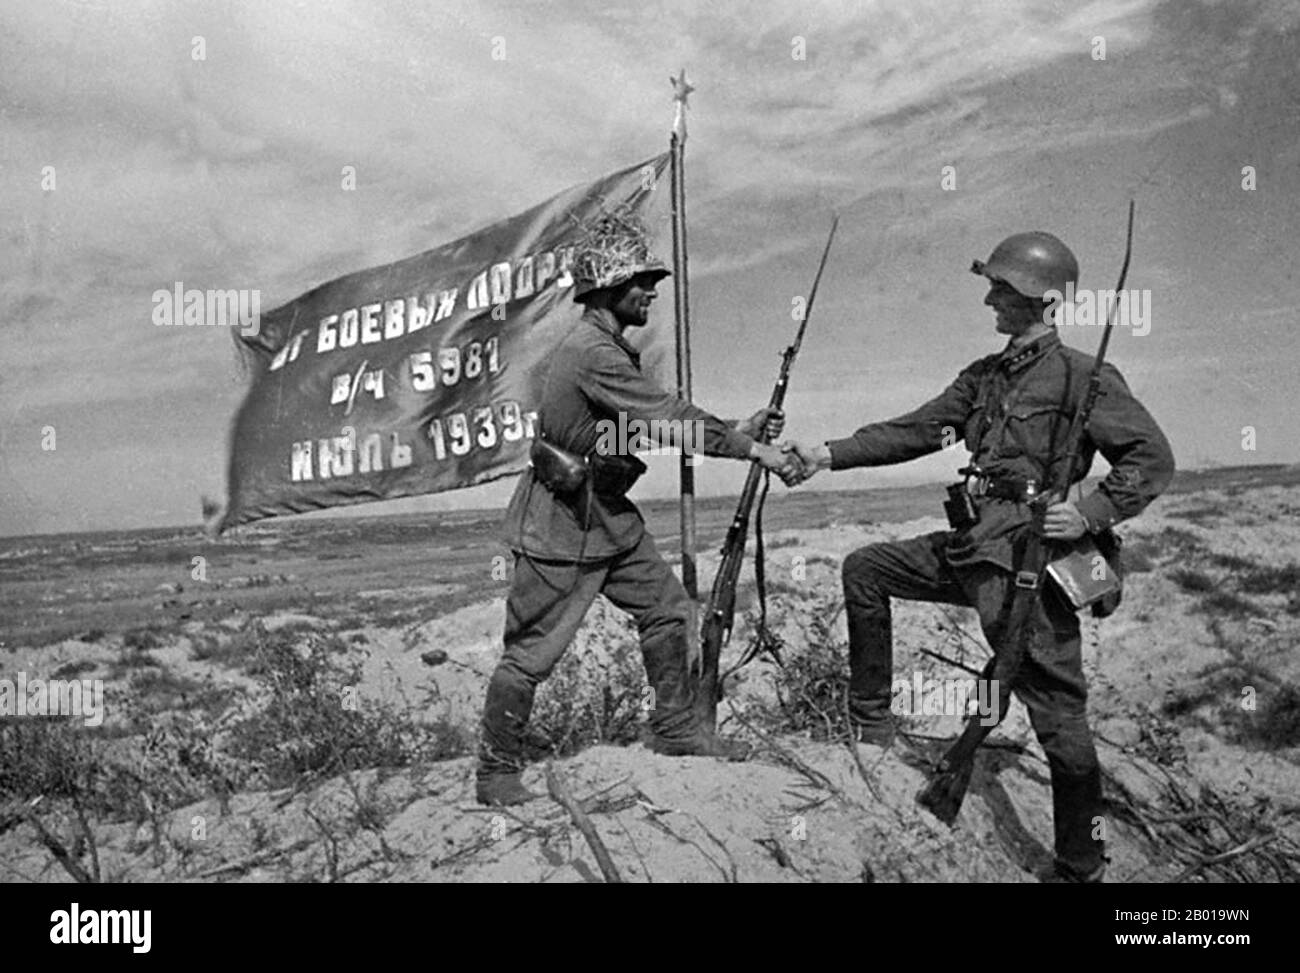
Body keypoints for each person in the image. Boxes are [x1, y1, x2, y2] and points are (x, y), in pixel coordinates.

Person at [786, 230, 1175, 882]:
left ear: (1047, 302)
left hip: (1028, 556)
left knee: (1056, 708)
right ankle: (872, 726)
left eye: (1005, 287)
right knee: (866, 567)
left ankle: (1081, 862)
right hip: (974, 545)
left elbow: (1151, 458)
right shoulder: (985, 377)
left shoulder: (1086, 377)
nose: (991, 296)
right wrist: (827, 453)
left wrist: (1088, 513)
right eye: (993, 284)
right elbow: (918, 430)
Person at [476, 213, 800, 806]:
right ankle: (495, 773)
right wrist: (759, 450)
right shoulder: (592, 352)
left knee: (669, 610)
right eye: (640, 281)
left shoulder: (608, 352)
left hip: (607, 517)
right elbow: (668, 419)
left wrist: (734, 428)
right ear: (605, 287)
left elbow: (636, 430)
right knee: (532, 653)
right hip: (559, 525)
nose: (652, 291)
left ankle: (676, 728)